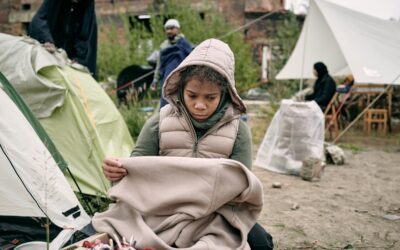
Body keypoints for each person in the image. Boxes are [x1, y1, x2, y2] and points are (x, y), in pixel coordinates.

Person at [103, 38, 273, 250]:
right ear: (181, 88)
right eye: (192, 95)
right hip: (160, 211)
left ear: (224, 94)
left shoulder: (239, 131)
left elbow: (240, 188)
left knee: (261, 243)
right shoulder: (159, 122)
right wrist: (116, 171)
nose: (200, 105)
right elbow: (135, 172)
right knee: (106, 235)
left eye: (210, 97)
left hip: (215, 215)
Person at [28, 0, 97, 77]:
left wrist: (78, 59)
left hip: (74, 55)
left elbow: (85, 35)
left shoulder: (88, 5)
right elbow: (38, 20)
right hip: (52, 47)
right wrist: (47, 40)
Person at [151, 18, 193, 108]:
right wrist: (155, 80)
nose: (169, 31)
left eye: (172, 28)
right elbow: (159, 65)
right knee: (166, 106)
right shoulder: (163, 46)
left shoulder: (185, 45)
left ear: (178, 29)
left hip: (182, 80)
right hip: (166, 80)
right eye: (167, 29)